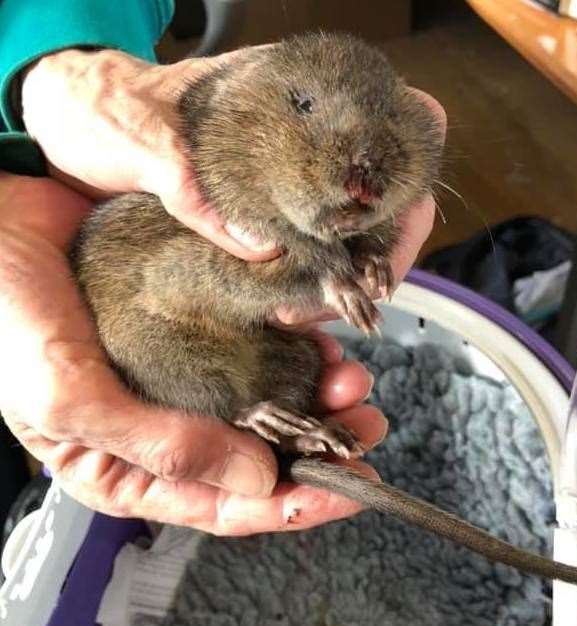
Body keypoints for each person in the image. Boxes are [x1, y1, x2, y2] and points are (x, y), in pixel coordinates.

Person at [0, 1, 446, 536]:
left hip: (253, 345)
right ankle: (251, 415)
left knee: (310, 377)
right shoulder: (224, 173)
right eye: (305, 106)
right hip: (171, 329)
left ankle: (281, 432)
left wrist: (57, 60)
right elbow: (251, 273)